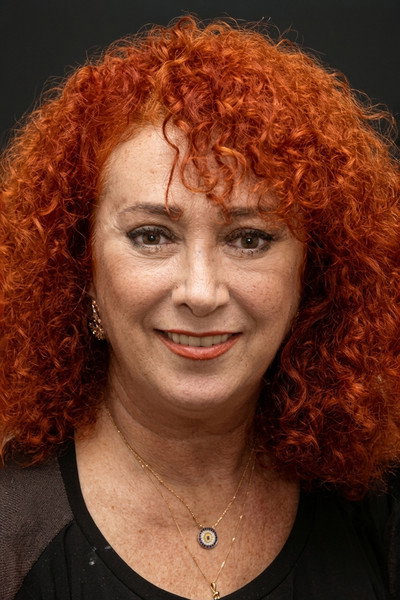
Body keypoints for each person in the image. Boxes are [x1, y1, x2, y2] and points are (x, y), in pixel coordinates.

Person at [1, 15, 399, 600]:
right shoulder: (11, 526)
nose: (202, 291)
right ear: (79, 265)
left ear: (313, 272)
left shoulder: (378, 505)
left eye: (249, 239)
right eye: (151, 236)